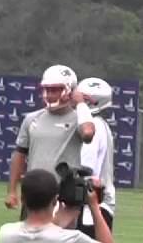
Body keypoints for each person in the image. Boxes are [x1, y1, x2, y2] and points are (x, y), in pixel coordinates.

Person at [6, 64, 95, 216]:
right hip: (34, 192)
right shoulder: (32, 119)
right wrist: (12, 190)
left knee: (58, 238)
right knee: (28, 238)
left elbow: (87, 133)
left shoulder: (77, 119)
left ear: (69, 90)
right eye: (47, 89)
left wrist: (80, 103)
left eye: (55, 89)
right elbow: (20, 154)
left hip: (63, 194)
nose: (49, 94)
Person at [69, 77, 119, 243]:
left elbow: (87, 167)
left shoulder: (94, 127)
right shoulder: (102, 125)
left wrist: (85, 199)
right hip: (100, 198)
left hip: (92, 198)